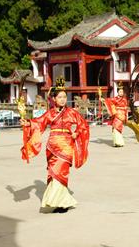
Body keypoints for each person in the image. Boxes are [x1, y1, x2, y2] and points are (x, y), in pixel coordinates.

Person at [21, 77, 90, 213]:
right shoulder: (50, 113)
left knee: (62, 173)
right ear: (54, 99)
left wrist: (76, 133)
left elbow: (84, 125)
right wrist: (28, 123)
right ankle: (58, 202)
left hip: (66, 146)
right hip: (52, 146)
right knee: (53, 174)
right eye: (60, 97)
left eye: (64, 97)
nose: (63, 99)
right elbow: (38, 122)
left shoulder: (71, 113)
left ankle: (62, 202)